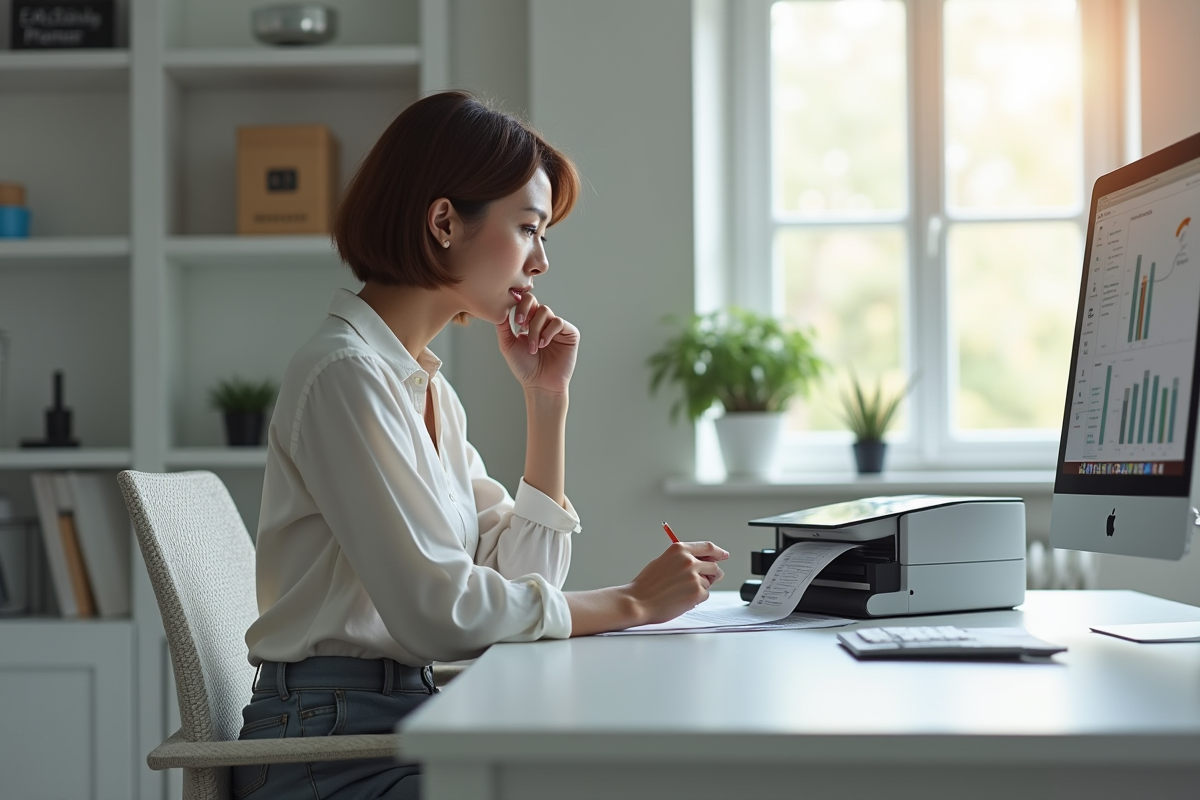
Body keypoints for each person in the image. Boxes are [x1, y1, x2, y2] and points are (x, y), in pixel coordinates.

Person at [232, 91, 729, 800]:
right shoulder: (344, 373)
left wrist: (545, 404)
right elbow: (439, 611)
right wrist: (631, 603)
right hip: (331, 749)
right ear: (443, 221)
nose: (541, 262)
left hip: (403, 719)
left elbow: (522, 575)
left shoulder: (425, 389)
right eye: (529, 227)